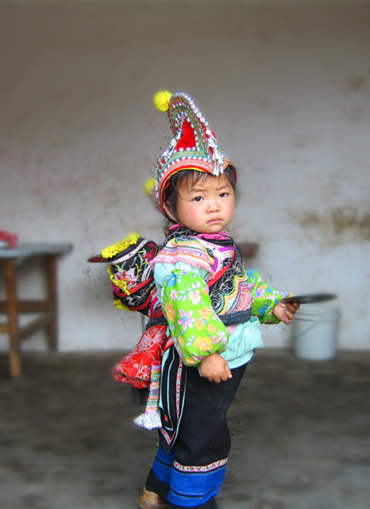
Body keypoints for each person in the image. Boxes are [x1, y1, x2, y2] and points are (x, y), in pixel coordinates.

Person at [100, 91, 299, 509]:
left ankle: (154, 491)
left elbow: (238, 286)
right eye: (198, 198)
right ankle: (192, 502)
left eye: (223, 194)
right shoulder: (181, 256)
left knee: (191, 425)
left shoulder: (216, 244)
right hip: (203, 358)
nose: (214, 206)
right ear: (171, 209)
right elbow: (187, 309)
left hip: (234, 354)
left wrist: (272, 306)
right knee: (204, 434)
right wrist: (206, 353)